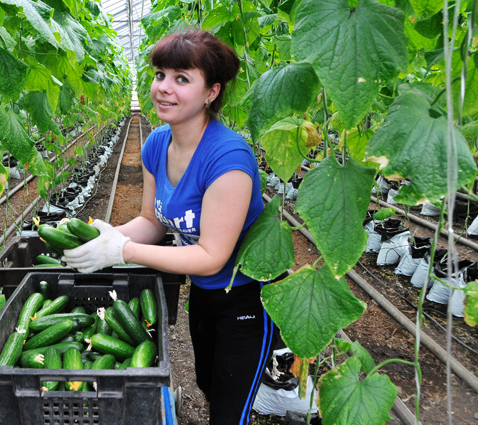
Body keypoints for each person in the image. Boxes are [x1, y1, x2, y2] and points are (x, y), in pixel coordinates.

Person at [63, 28, 274, 425]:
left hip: (246, 298)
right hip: (203, 292)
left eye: (182, 79)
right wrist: (109, 237)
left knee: (231, 412)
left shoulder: (227, 159)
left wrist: (122, 252)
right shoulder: (157, 144)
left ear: (211, 92)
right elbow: (152, 221)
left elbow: (212, 257)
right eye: (160, 74)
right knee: (209, 387)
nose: (163, 88)